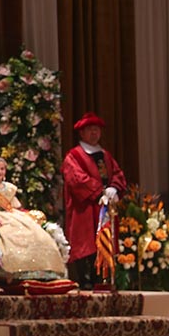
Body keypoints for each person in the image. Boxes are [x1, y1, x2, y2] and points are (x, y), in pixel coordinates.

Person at [0, 156, 68, 282]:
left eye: (2, 169)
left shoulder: (10, 188)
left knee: (35, 233)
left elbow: (15, 208)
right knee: (8, 237)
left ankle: (39, 273)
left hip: (12, 216)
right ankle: (11, 272)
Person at [62, 112, 127, 289]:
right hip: (85, 208)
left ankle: (101, 278)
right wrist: (100, 192)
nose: (94, 133)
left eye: (97, 130)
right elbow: (76, 178)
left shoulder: (105, 155)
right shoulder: (74, 156)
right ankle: (85, 279)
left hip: (104, 207)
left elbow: (118, 174)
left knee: (104, 240)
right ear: (81, 133)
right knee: (85, 242)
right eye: (90, 130)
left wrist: (114, 188)